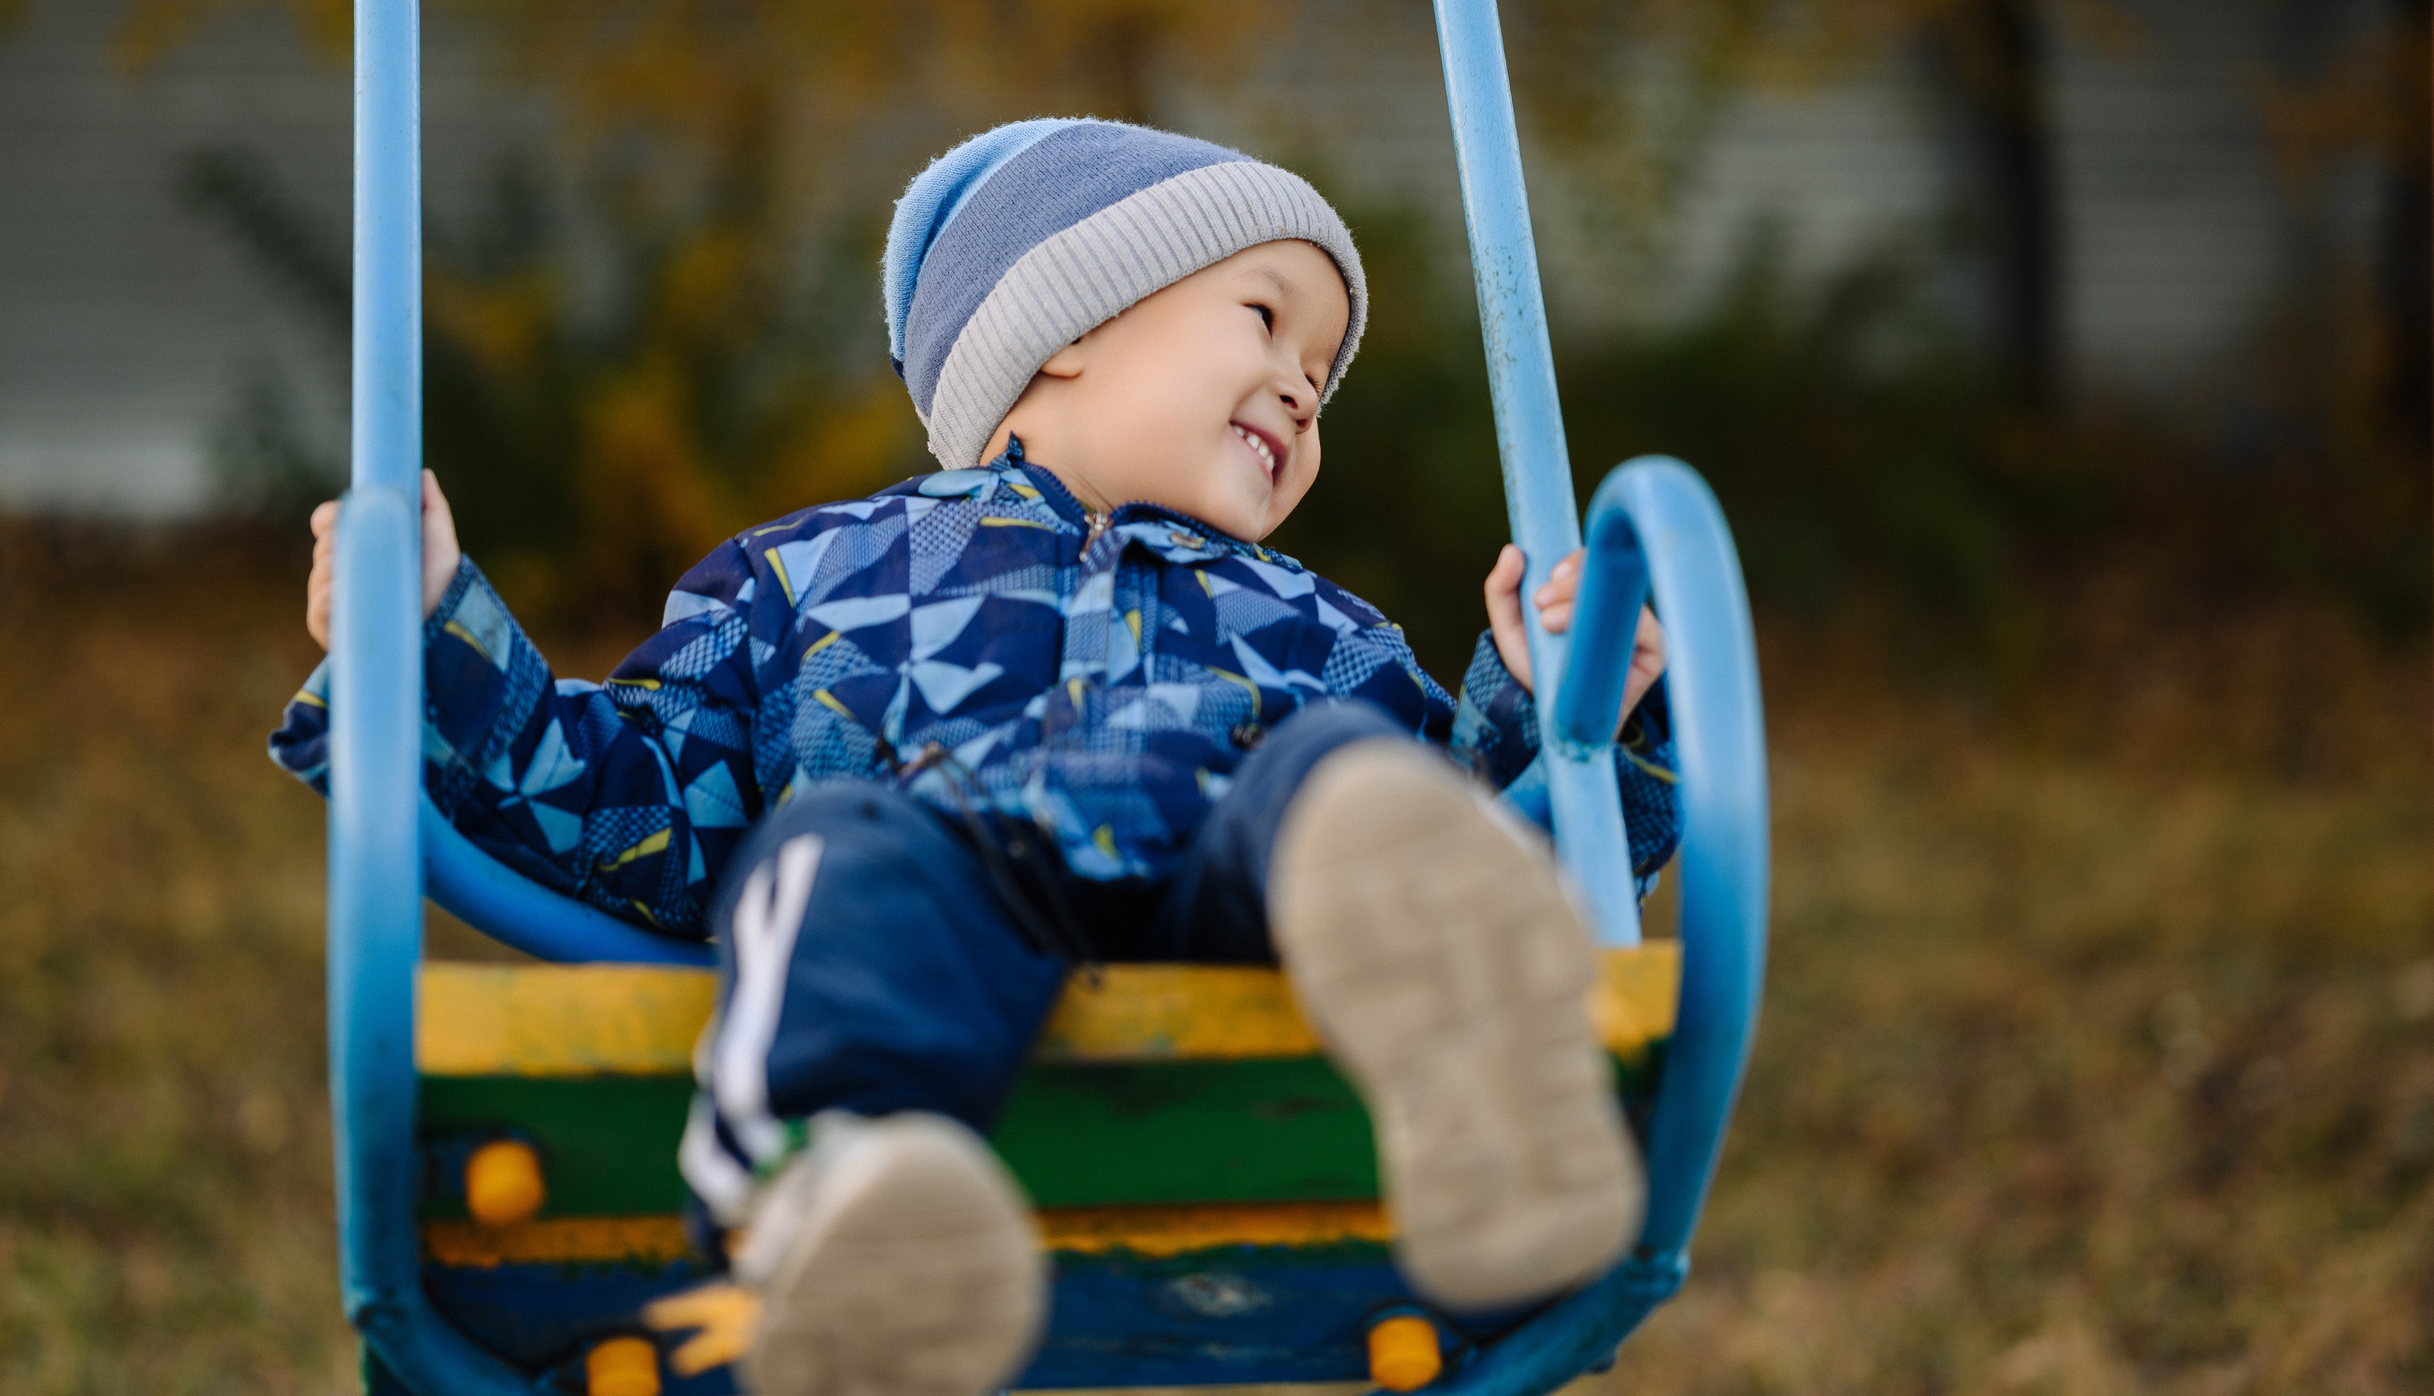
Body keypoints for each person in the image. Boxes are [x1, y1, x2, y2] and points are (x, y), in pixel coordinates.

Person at [272, 119, 1678, 1396]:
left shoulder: (1329, 634)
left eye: (1321, 375)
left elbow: (1506, 823)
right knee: (836, 856)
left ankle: (1481, 1083)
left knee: (1360, 807)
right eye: (1264, 319)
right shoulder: (813, 580)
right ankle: (852, 1195)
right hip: (942, 891)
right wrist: (433, 645)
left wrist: (1568, 714)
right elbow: (633, 804)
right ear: (1062, 327)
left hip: (1231, 922)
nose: (1303, 392)